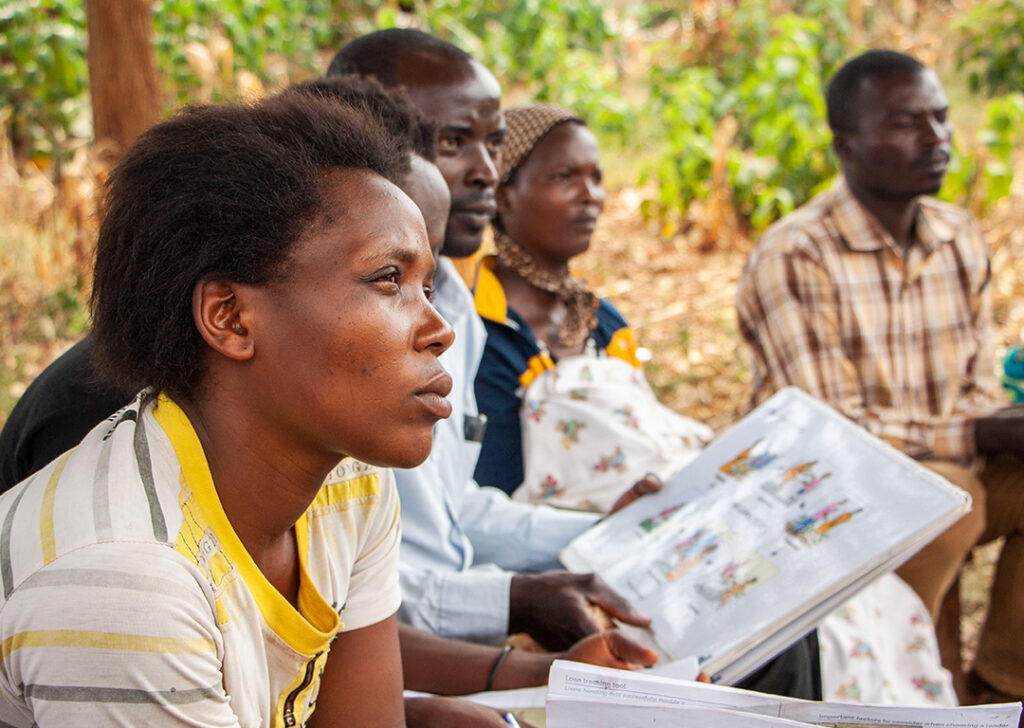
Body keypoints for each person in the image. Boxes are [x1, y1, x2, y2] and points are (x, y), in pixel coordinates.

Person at [0, 91, 453, 726]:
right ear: (230, 317)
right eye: (387, 279)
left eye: (427, 286)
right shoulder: (123, 578)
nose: (439, 328)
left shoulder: (348, 487)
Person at [328, 29, 659, 652]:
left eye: (495, 144)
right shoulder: (336, 327)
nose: (486, 172)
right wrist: (511, 606)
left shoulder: (455, 305)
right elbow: (353, 598)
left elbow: (454, 513)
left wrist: (597, 529)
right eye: (454, 142)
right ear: (363, 142)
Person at [735, 49, 1024, 703]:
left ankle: (1001, 687)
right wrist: (980, 431)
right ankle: (922, 692)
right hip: (829, 490)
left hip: (948, 463)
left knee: (958, 489)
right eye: (906, 123)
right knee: (950, 500)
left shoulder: (958, 234)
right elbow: (831, 433)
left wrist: (996, 421)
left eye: (942, 118)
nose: (936, 138)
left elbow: (978, 377)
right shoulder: (797, 253)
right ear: (845, 143)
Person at [472, 104, 711, 504]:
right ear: (503, 196)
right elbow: (485, 493)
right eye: (564, 177)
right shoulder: (479, 330)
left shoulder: (602, 321)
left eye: (596, 178)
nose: (591, 197)